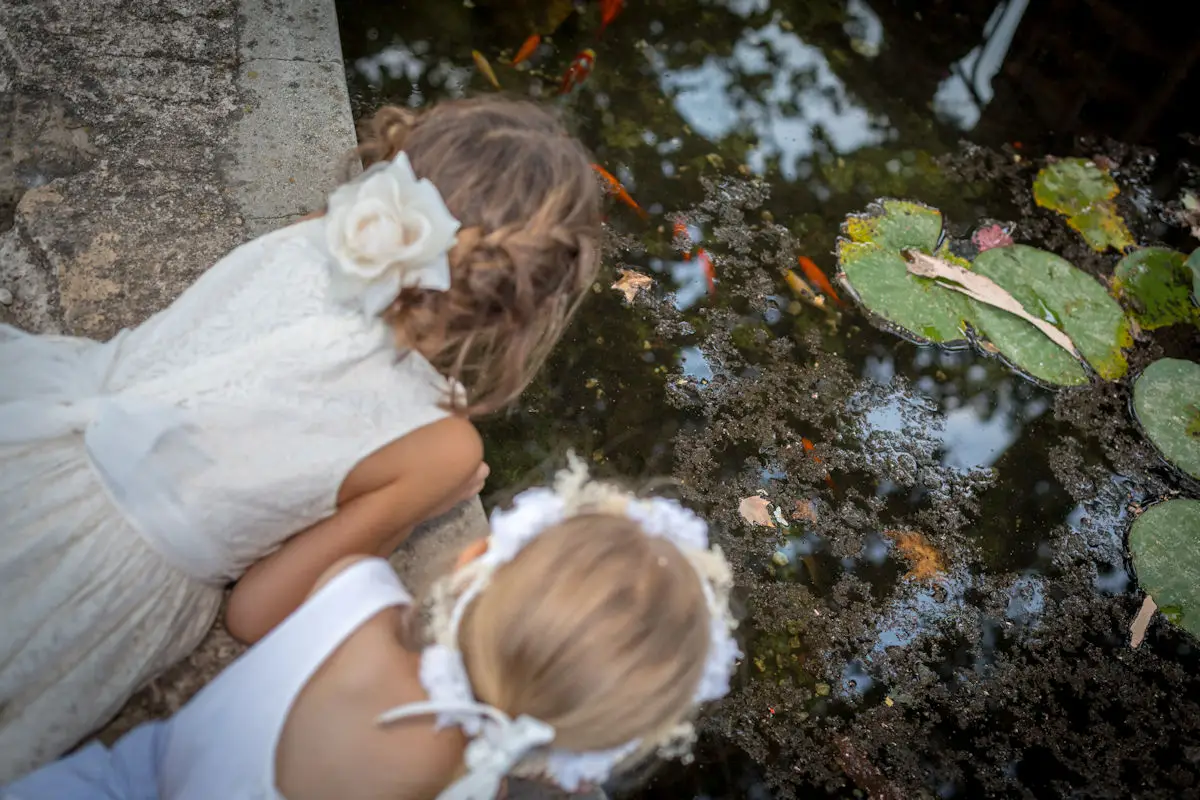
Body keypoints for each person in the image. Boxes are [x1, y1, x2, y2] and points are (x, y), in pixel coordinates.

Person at [0, 97, 603, 781]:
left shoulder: (324, 235)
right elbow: (257, 612)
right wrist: (417, 504)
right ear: (518, 316)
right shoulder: (440, 448)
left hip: (30, 434)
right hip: (96, 577)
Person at [1, 462, 741, 800]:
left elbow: (264, 612)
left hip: (120, 783)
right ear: (585, 749)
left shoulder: (354, 591)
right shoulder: (465, 784)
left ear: (478, 557)